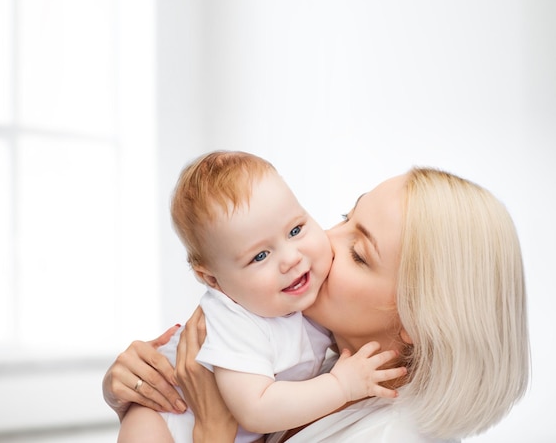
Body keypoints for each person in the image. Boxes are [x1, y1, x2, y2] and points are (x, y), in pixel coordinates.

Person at [104, 166, 530, 442]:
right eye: (346, 217)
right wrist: (141, 388)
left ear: (417, 319)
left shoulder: (387, 435)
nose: (324, 242)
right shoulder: (317, 359)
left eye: (359, 254)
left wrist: (213, 431)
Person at [117, 151, 404, 442]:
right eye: (260, 256)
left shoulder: (305, 303)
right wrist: (340, 385)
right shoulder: (234, 320)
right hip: (166, 418)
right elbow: (257, 409)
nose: (291, 259)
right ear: (213, 280)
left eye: (295, 230)